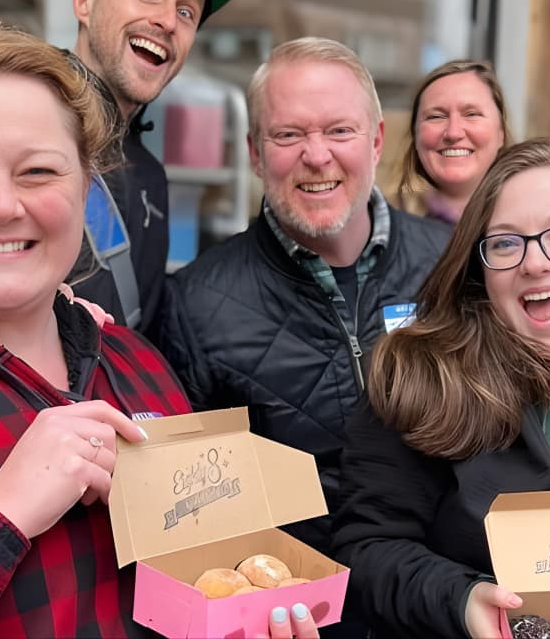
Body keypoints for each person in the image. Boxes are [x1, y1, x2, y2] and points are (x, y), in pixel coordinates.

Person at [0, 13, 318, 639]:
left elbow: (205, 596)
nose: (3, 205)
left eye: (38, 171)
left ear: (86, 187)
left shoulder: (139, 367)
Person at [158, 38, 452, 565]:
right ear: (254, 151)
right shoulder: (195, 305)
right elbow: (191, 518)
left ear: (377, 140)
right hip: (295, 611)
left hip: (439, 600)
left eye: (340, 130)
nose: (317, 157)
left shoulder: (451, 267)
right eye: (289, 134)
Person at [332, 132, 550, 639]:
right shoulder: (421, 378)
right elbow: (366, 551)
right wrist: (459, 600)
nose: (534, 262)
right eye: (505, 242)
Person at [67, 0, 244, 337]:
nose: (167, 21)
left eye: (187, 11)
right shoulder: (10, 118)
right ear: (84, 1)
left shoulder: (149, 176)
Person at [396, 59, 511, 224]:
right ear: (415, 136)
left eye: (471, 114)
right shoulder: (384, 225)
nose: (453, 132)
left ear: (501, 133)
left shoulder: (535, 220)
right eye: (436, 117)